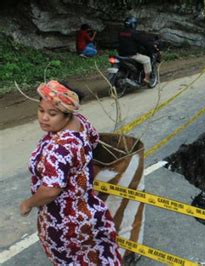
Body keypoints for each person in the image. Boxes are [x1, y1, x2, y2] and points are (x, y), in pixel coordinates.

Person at [20, 80, 122, 265]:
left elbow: (51, 190)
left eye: (52, 114)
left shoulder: (58, 149)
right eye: (41, 110)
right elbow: (94, 140)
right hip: (88, 209)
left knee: (71, 260)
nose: (44, 118)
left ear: (67, 115)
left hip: (63, 220)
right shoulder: (81, 123)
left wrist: (28, 204)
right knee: (96, 256)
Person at [118, 16, 155, 86]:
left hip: (121, 55)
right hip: (132, 55)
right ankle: (146, 78)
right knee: (147, 60)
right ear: (133, 24)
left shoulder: (120, 32)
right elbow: (144, 42)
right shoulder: (135, 33)